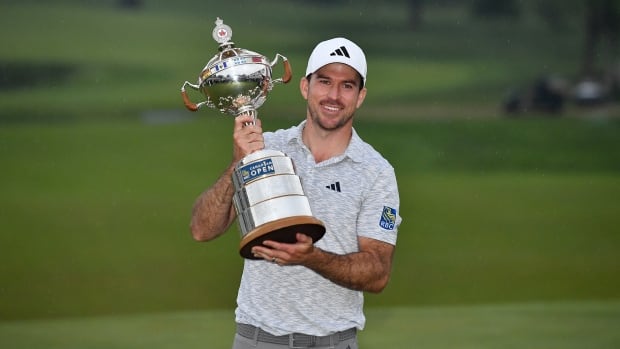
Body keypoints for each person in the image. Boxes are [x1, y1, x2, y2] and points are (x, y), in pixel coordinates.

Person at [190, 37, 402, 349]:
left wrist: (312, 258)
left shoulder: (376, 172)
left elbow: (377, 274)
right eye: (325, 81)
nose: (333, 95)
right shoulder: (266, 148)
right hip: (258, 339)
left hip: (333, 341)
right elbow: (202, 229)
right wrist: (238, 163)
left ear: (360, 96)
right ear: (305, 86)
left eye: (347, 86)